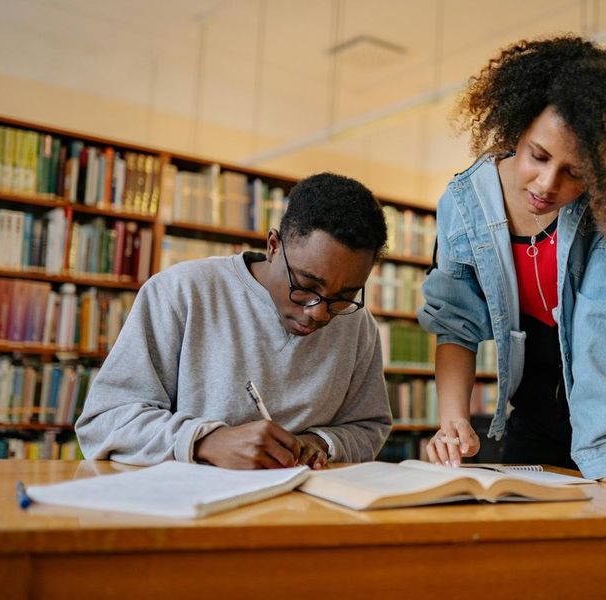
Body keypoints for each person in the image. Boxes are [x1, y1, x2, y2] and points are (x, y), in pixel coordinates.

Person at [417, 35, 606, 485]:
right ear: (517, 128)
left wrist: (605, 455)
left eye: (575, 172)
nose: (546, 184)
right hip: (534, 403)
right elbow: (455, 321)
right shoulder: (464, 204)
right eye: (537, 156)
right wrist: (453, 420)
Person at [76, 172, 392, 469]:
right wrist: (206, 442)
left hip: (303, 513)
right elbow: (105, 419)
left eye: (344, 296)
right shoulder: (181, 291)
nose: (319, 312)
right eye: (306, 286)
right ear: (273, 246)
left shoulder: (358, 324)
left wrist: (319, 442)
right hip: (191, 514)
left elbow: (368, 426)